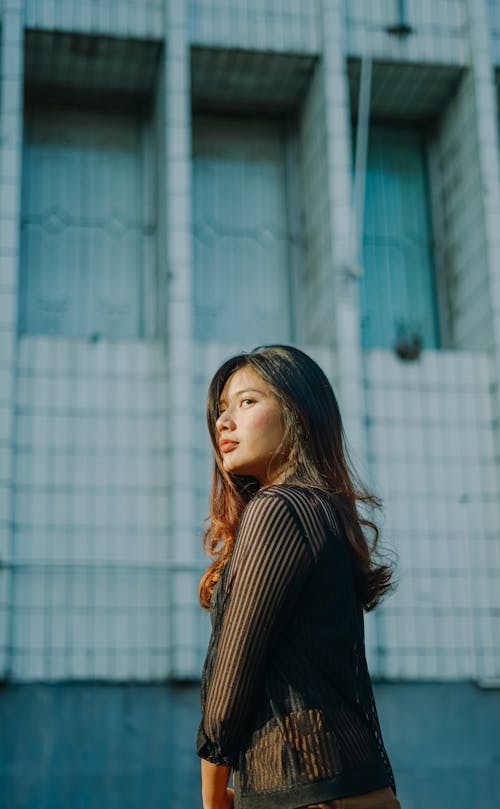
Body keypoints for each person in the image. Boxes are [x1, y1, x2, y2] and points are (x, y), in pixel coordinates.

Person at [196, 345, 401, 809]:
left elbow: (230, 674)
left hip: (302, 787)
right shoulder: (325, 511)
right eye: (221, 409)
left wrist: (212, 796)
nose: (224, 422)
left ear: (298, 413)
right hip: (354, 783)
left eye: (248, 402)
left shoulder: (277, 508)